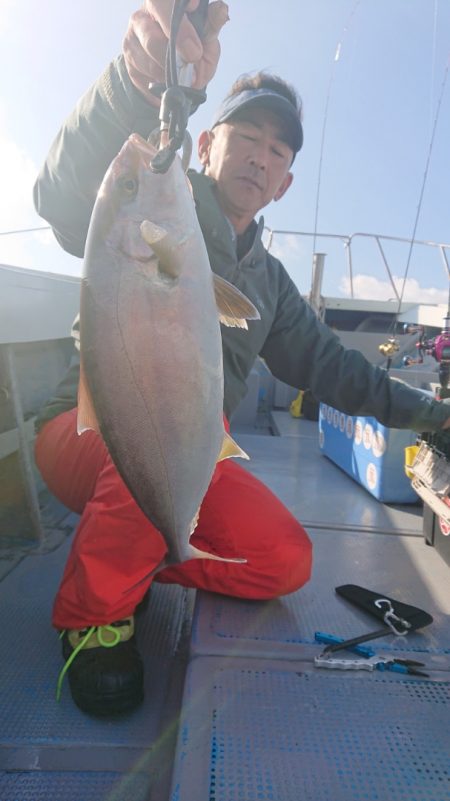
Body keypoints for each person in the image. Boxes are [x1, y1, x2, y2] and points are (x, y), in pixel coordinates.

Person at [33, 0, 450, 717]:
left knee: (286, 559)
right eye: (246, 136)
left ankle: (142, 558)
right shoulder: (157, 205)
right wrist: (142, 83)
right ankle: (91, 617)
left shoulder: (269, 283)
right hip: (85, 428)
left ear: (285, 182)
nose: (260, 156)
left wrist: (432, 414)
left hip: (189, 447)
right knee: (155, 434)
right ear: (204, 146)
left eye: (277, 150)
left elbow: (337, 370)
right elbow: (66, 198)